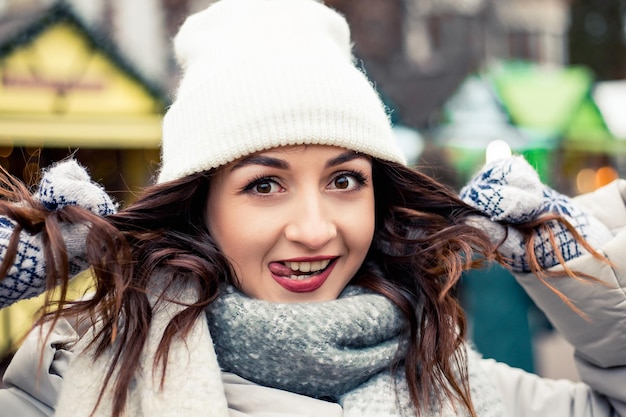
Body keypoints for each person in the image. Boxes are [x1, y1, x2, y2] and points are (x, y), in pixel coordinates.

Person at [0, 0, 625, 416]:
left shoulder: (458, 381)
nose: (315, 228)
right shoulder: (75, 371)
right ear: (200, 206)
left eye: (345, 180)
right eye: (264, 185)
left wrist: (574, 264)